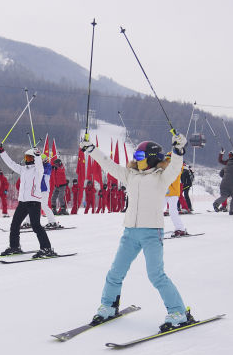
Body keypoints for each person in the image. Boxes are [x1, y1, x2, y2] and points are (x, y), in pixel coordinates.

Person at [85, 134, 198, 331]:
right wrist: (92, 150)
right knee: (115, 272)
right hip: (130, 233)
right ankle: (109, 306)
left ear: (152, 158)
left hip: (151, 233)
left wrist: (179, 150)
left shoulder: (161, 177)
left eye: (140, 156)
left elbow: (174, 167)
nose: (136, 159)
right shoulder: (131, 175)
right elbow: (109, 165)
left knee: (156, 275)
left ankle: (178, 312)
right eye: (135, 155)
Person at [0, 144, 55, 257]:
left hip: (33, 201)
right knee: (14, 225)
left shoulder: (38, 170)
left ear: (33, 159)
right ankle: (15, 246)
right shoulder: (23, 169)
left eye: (29, 158)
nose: (26, 160)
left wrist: (38, 156)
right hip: (23, 202)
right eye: (26, 158)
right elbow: (11, 164)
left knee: (36, 225)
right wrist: (2, 152)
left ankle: (46, 248)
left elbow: (39, 165)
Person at [212, 150, 233, 214]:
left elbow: (221, 174)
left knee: (224, 196)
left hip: (223, 183)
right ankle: (232, 211)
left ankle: (216, 203)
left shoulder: (226, 165)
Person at [165, 164, 188, 237]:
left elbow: (174, 174)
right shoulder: (166, 165)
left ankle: (180, 229)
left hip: (173, 193)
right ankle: (152, 229)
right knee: (157, 211)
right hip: (165, 191)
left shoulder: (178, 166)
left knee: (172, 211)